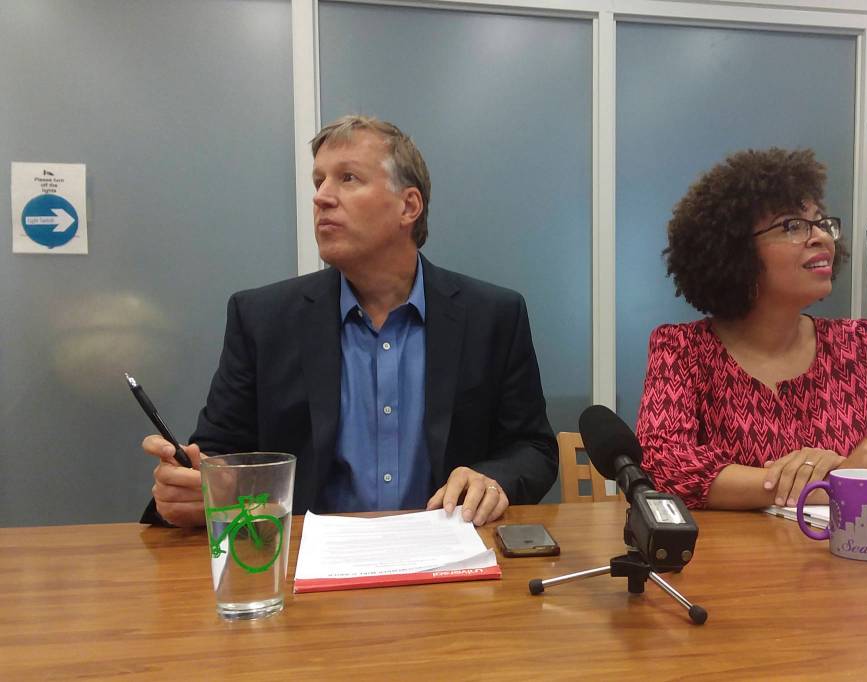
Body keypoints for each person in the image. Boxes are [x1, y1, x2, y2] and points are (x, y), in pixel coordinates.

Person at [142, 115, 557, 527]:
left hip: (449, 551)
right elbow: (216, 455)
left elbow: (533, 448)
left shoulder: (492, 316)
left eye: (348, 178)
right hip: (305, 557)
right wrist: (189, 492)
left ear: (408, 206)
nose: (322, 197)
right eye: (318, 181)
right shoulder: (262, 319)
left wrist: (494, 479)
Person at [635, 148, 867, 510]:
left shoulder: (859, 344)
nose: (821, 237)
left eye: (821, 223)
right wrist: (830, 482)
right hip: (738, 548)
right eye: (793, 226)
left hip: (851, 545)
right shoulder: (683, 349)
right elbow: (665, 467)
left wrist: (854, 476)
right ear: (734, 250)